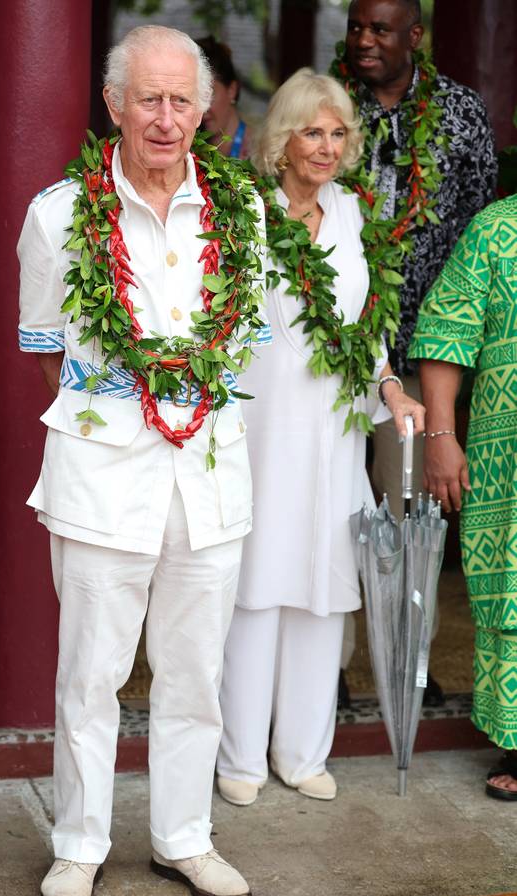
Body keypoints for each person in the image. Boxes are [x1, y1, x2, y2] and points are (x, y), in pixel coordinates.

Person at [17, 25, 268, 896]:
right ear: (114, 105)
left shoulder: (244, 211)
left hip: (208, 478)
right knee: (90, 675)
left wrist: (180, 412)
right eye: (148, 99)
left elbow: (245, 348)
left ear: (205, 109)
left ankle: (184, 838)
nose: (166, 118)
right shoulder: (57, 214)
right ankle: (79, 845)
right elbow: (48, 352)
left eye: (182, 100)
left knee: (196, 672)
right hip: (100, 481)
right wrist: (127, 411)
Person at [216, 70, 425, 808]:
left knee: (322, 588)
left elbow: (361, 332)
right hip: (261, 421)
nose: (328, 147)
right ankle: (238, 754)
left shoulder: (350, 213)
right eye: (314, 132)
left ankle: (302, 752)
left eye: (339, 134)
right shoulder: (247, 210)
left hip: (333, 428)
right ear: (282, 137)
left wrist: (392, 386)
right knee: (255, 585)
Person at [334, 0, 498, 704]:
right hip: (331, 348)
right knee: (327, 507)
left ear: (415, 35)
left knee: (407, 517)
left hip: (417, 355)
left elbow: (479, 234)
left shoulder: (460, 114)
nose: (365, 41)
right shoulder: (330, 106)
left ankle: (409, 667)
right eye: (357, 27)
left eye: (381, 29)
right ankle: (329, 670)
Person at [408, 195, 517, 800]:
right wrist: (441, 436)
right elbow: (447, 329)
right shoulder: (498, 228)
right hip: (510, 452)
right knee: (512, 581)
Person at [196, 36, 251, 158]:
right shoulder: (188, 152)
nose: (202, 107)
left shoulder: (262, 152)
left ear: (232, 90)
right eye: (192, 96)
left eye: (207, 94)